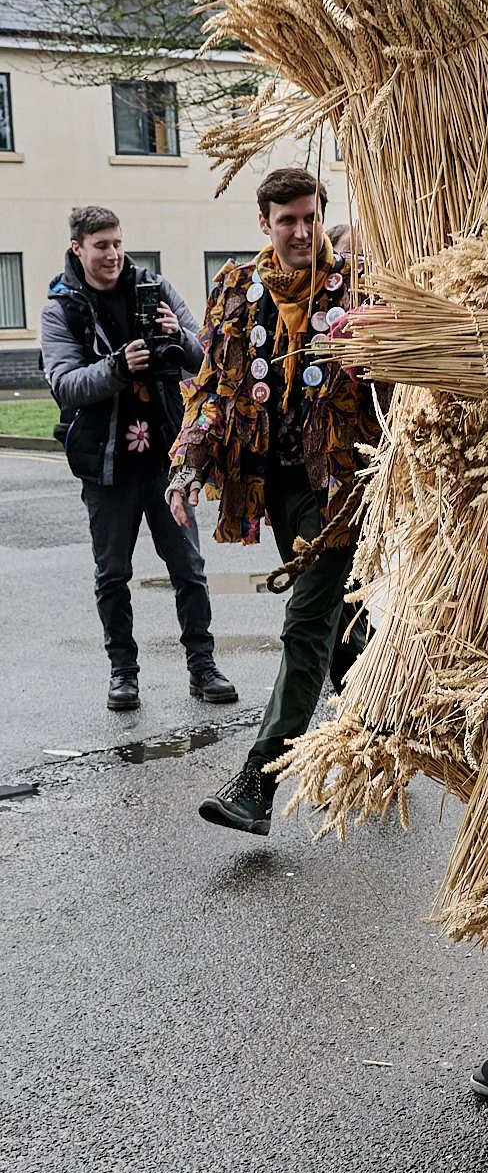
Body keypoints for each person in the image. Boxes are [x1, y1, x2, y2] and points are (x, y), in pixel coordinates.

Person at [171, 168, 380, 836]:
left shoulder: (360, 285)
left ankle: (257, 783)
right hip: (274, 485)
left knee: (306, 623)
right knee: (340, 631)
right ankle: (381, 730)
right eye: (286, 220)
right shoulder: (236, 290)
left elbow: (400, 383)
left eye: (310, 218)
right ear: (264, 223)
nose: (300, 232)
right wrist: (185, 469)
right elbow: (210, 391)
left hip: (342, 486)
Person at [41, 205, 236, 712]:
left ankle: (203, 667)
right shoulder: (62, 308)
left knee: (188, 566)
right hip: (106, 464)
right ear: (77, 249)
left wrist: (179, 339)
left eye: (117, 243)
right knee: (113, 574)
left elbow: (207, 356)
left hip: (169, 456)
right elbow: (65, 384)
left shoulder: (155, 288)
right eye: (101, 245)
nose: (112, 255)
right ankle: (123, 674)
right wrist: (117, 367)